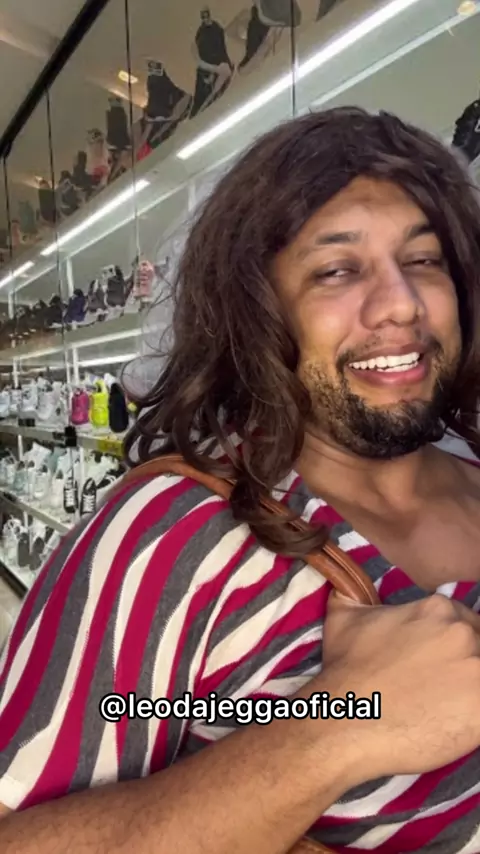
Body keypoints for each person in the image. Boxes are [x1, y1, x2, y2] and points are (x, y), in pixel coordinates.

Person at [1, 106, 480, 854]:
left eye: (424, 260)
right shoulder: (170, 535)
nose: (401, 304)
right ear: (256, 310)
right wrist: (335, 727)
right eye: (337, 270)